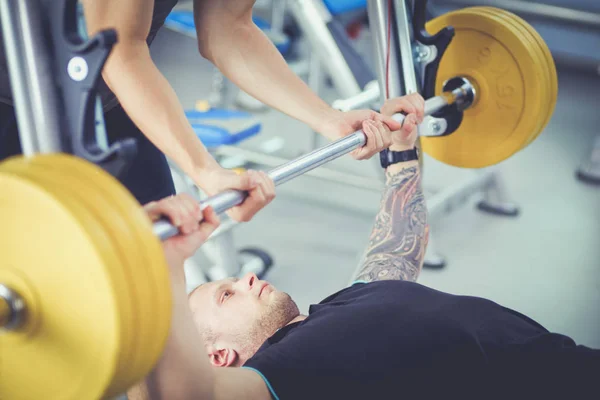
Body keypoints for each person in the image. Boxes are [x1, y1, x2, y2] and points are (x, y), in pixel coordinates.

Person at [130, 94, 599, 400]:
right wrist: (163, 266)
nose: (247, 277)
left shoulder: (337, 310)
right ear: (218, 358)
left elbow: (395, 250)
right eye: (227, 294)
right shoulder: (284, 374)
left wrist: (400, 155)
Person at [0, 0, 401, 222]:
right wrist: (205, 170)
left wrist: (326, 118)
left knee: (154, 263)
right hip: (12, 101)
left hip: (102, 98)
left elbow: (229, 30)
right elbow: (120, 51)